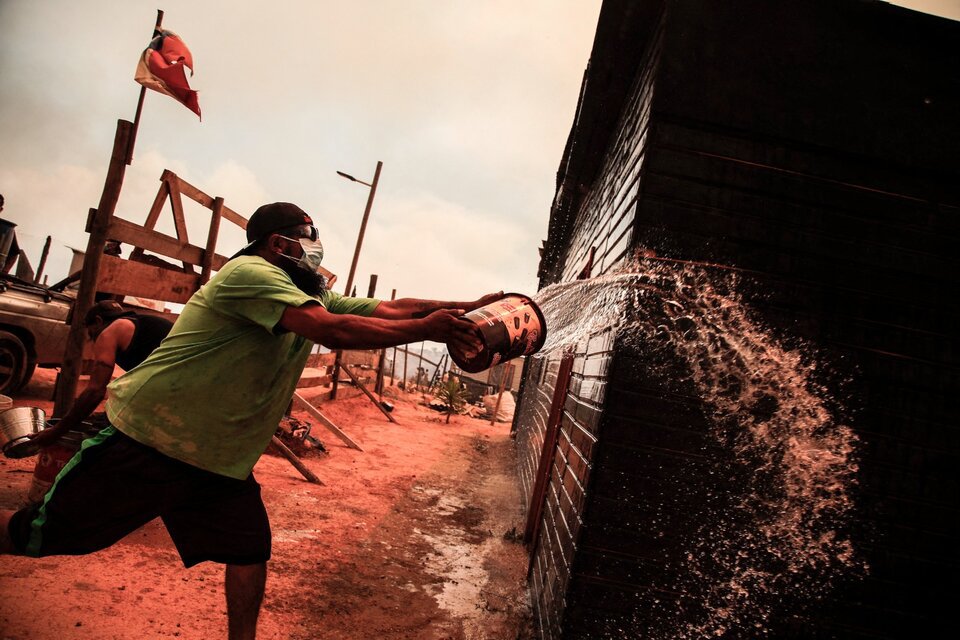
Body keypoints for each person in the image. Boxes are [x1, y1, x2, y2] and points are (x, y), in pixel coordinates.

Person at [0, 202, 497, 640]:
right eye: (310, 238)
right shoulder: (250, 277)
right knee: (43, 535)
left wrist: (463, 309)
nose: (317, 248)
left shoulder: (306, 290)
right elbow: (331, 329)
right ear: (279, 244)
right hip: (149, 440)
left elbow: (390, 307)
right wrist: (425, 331)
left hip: (216, 459)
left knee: (248, 550)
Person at [31, 300, 175, 447]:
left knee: (102, 440)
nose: (93, 339)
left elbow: (95, 391)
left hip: (169, 395)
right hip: (181, 390)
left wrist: (56, 431)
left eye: (91, 333)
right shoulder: (143, 325)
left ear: (98, 321)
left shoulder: (110, 332)